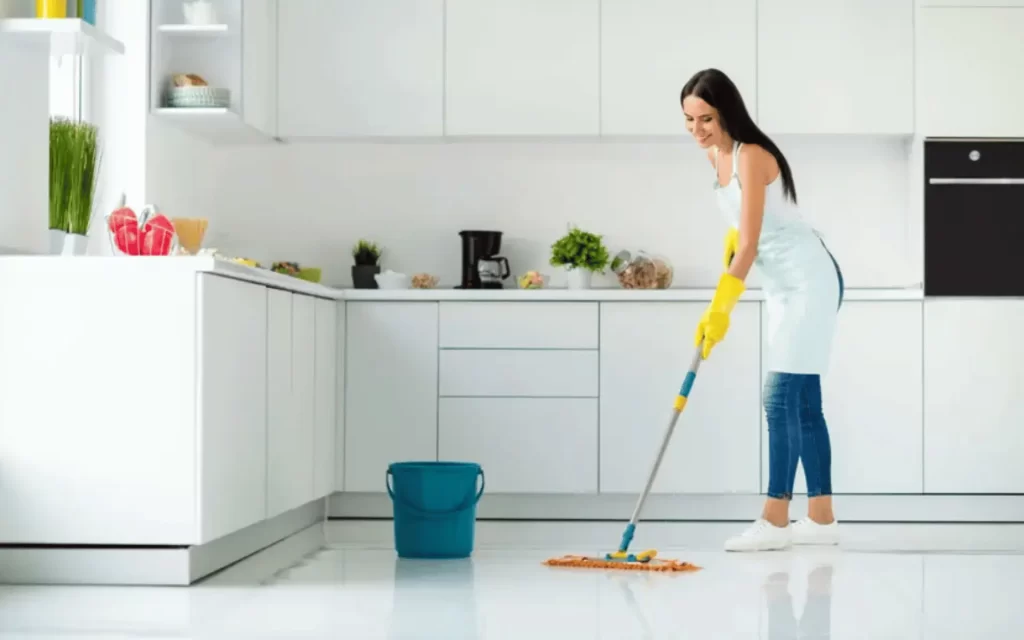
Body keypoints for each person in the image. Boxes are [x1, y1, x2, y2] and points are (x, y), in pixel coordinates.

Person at [680, 68, 845, 551]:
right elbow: (745, 231)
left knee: (778, 399)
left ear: (726, 111)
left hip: (809, 280)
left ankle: (775, 522)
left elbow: (751, 242)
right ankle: (821, 518)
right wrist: (732, 252)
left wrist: (721, 308)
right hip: (781, 286)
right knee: (803, 402)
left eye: (705, 119)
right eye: (688, 121)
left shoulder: (750, 155)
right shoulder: (717, 157)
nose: (697, 131)